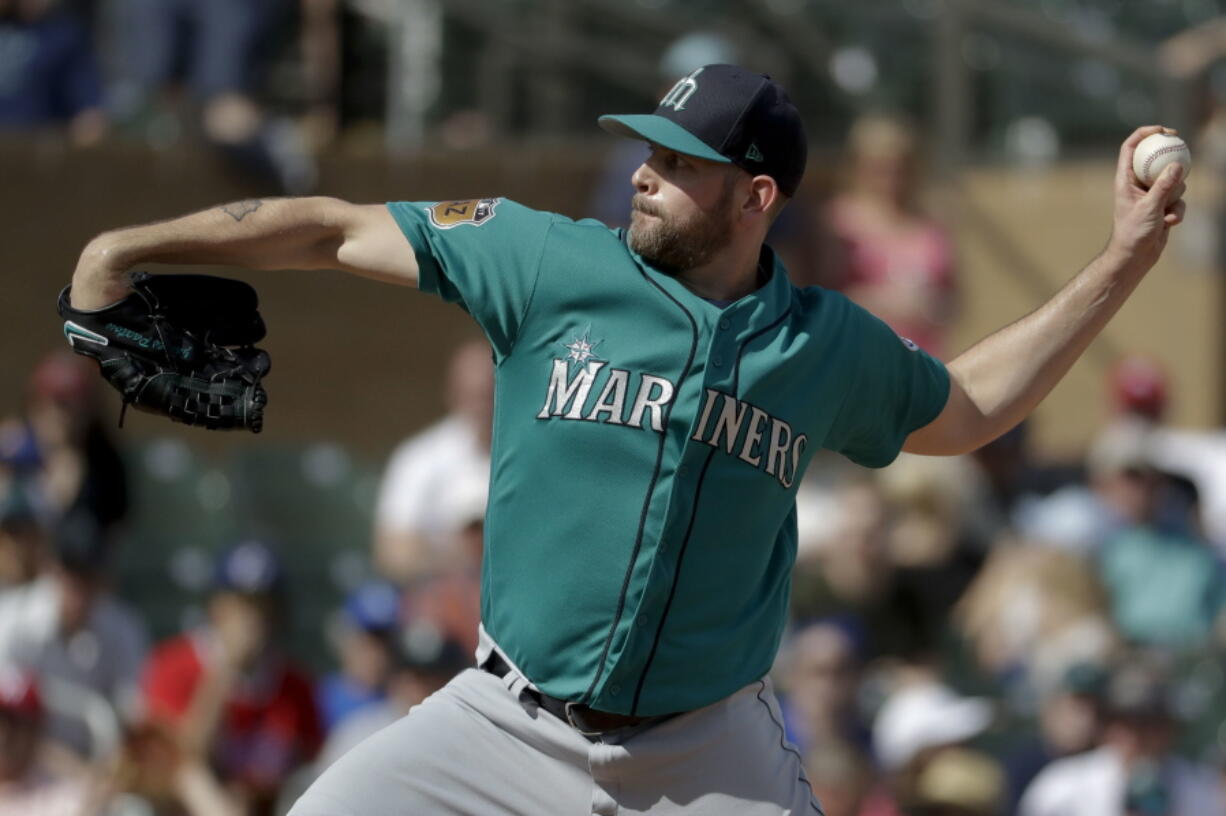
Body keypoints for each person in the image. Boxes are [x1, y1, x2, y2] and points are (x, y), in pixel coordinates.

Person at [64, 63, 1186, 815]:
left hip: (706, 755)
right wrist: (131, 242)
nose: (643, 171)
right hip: (503, 723)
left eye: (677, 160)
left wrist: (1125, 259)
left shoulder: (817, 343)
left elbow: (968, 407)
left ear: (754, 198)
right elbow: (338, 227)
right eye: (645, 146)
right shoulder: (549, 262)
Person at [140, 540, 321, 815]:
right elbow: (182, 759)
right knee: (190, 776)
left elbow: (309, 765)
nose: (252, 619)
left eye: (262, 606)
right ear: (216, 606)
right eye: (241, 604)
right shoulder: (173, 665)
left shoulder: (296, 686)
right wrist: (226, 668)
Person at [372, 339, 493, 584]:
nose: (481, 407)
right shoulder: (419, 458)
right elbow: (391, 553)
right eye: (470, 395)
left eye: (489, 394)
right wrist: (459, 558)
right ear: (451, 393)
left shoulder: (531, 458)